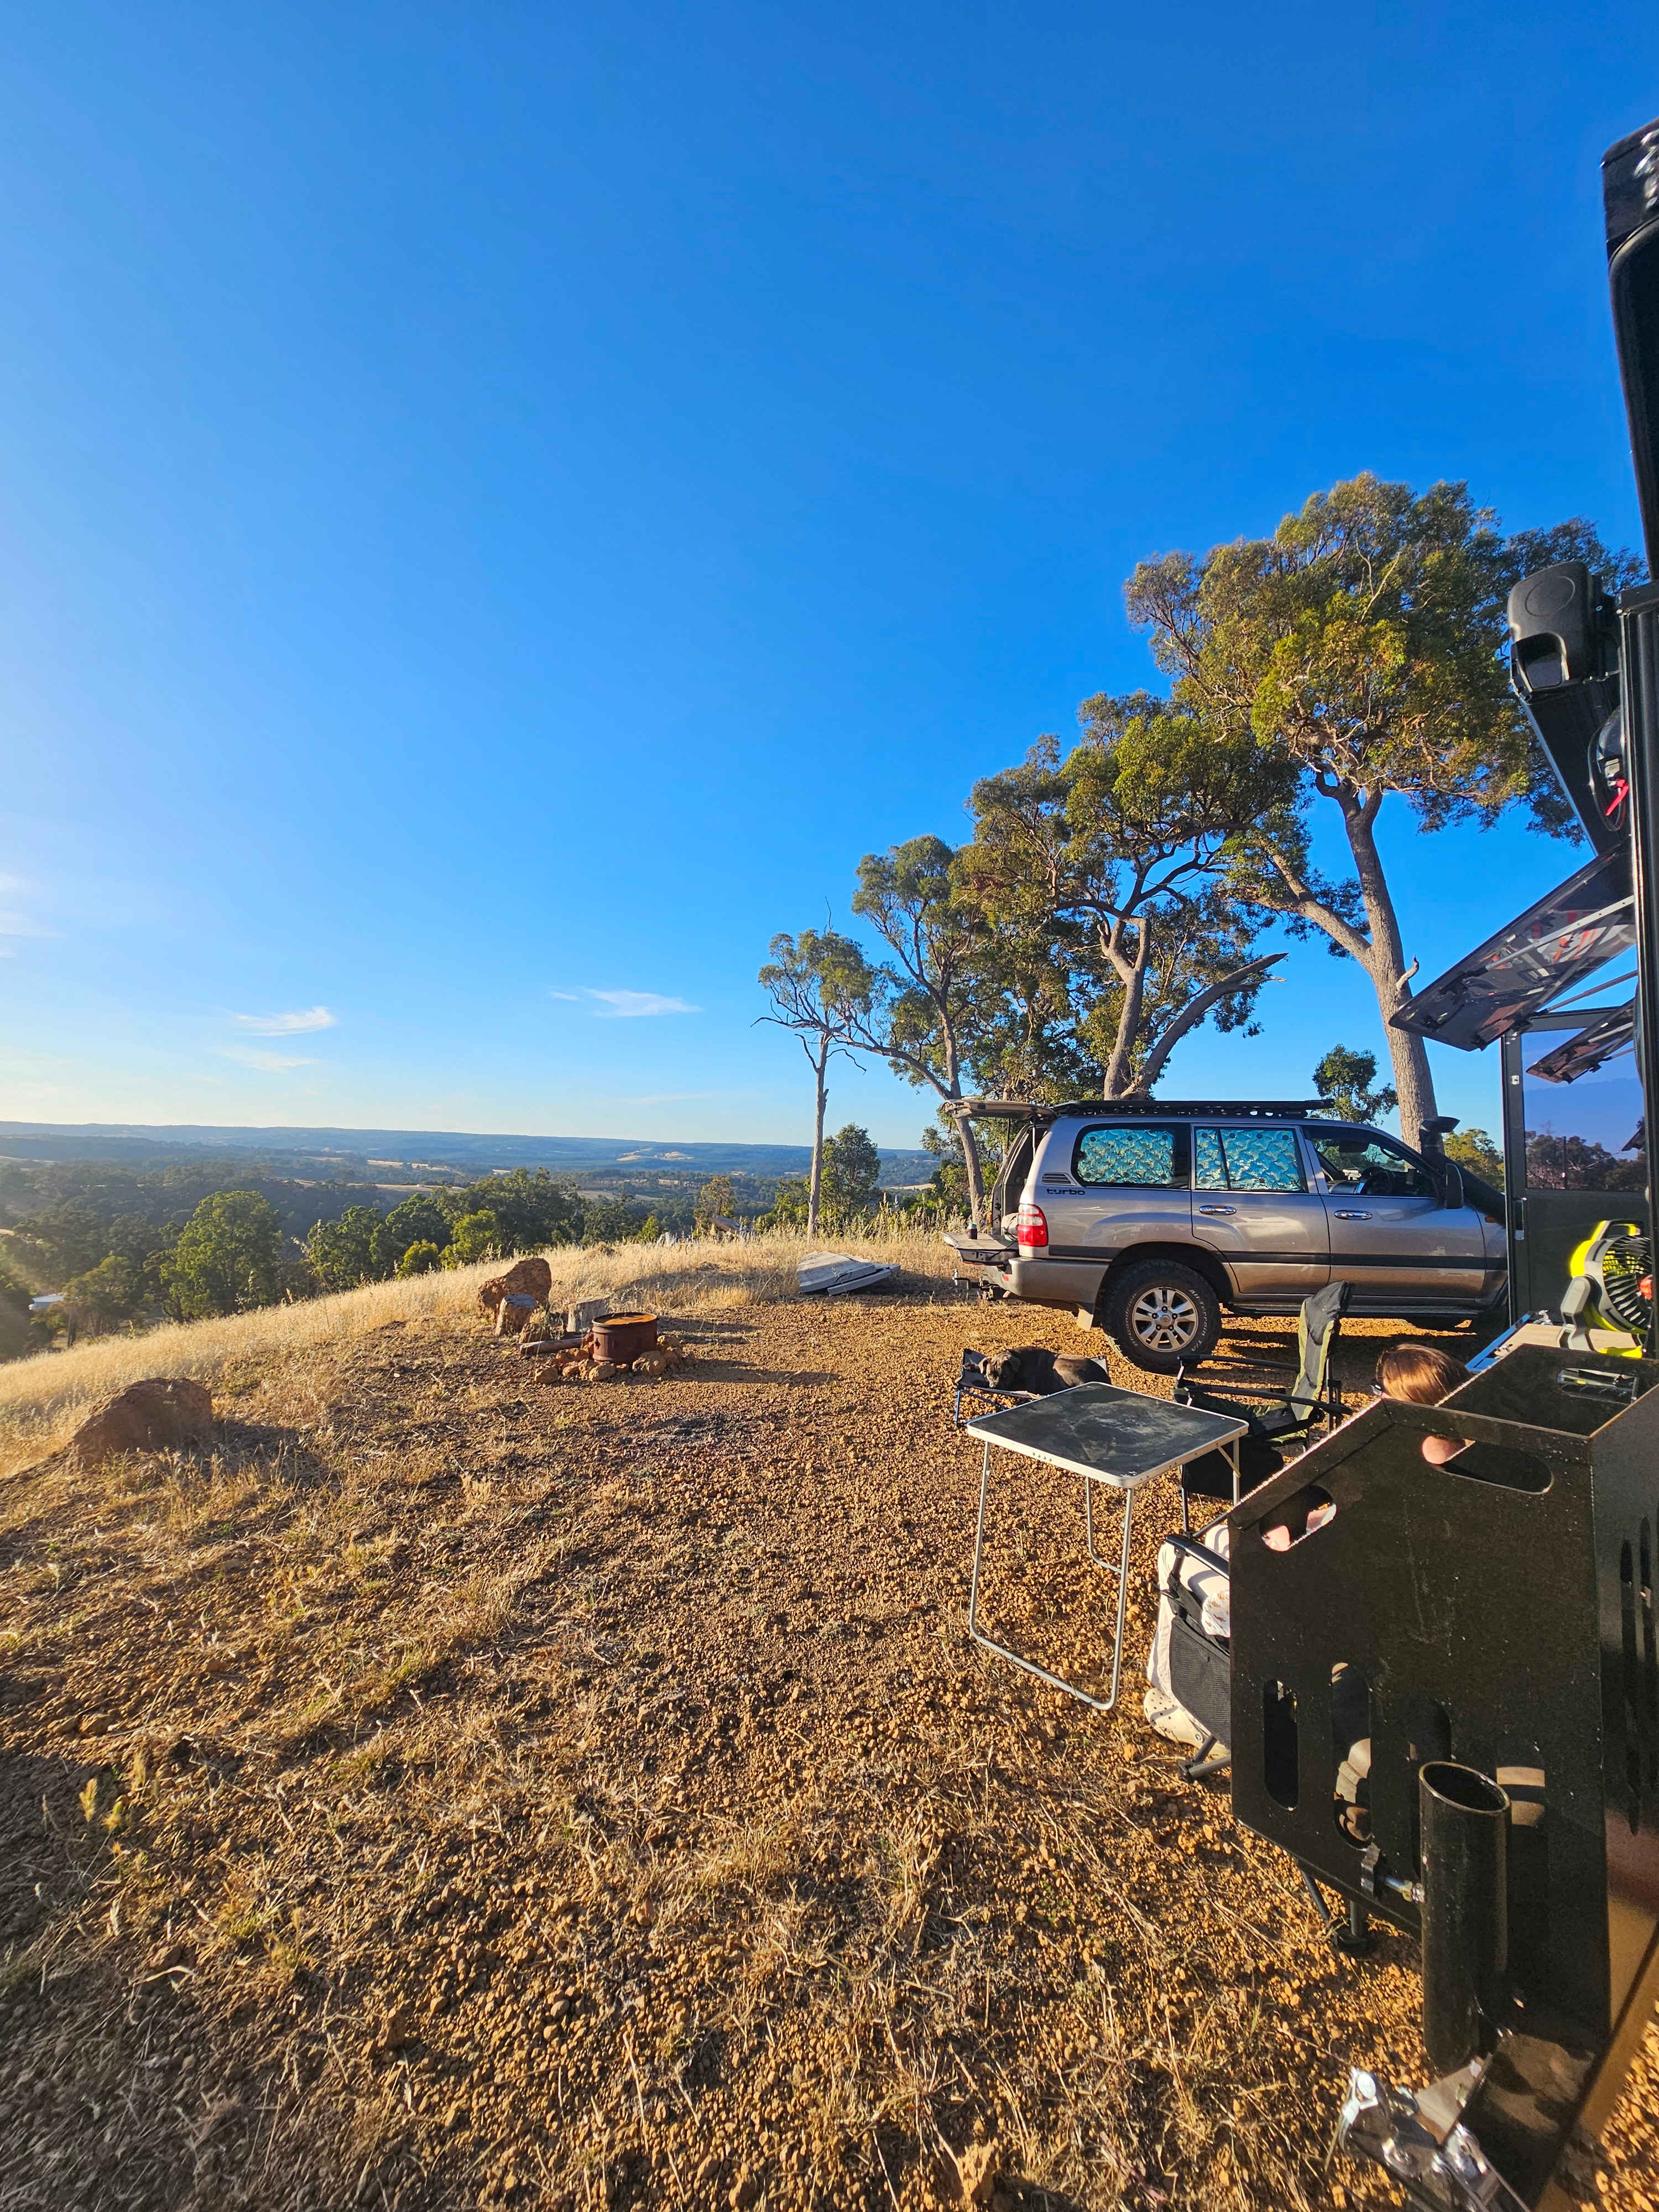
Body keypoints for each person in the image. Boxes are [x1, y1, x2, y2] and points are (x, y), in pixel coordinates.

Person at [1144, 1339, 1472, 1750]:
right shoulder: (1461, 1472)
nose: (1370, 1404)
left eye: (1379, 1393)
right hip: (1409, 1618)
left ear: (1402, 1409)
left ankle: (1191, 1706)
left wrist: (1287, 1536)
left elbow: (1342, 1547)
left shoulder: (1395, 1464)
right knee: (1219, 1537)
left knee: (1178, 1554)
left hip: (1334, 1616)